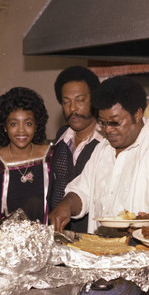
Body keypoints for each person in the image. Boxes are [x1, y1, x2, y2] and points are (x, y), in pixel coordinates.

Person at [48, 75, 149, 233]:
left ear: (137, 114)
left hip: (144, 255)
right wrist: (66, 206)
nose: (107, 130)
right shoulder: (103, 148)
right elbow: (82, 191)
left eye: (115, 122)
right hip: (101, 253)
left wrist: (142, 228)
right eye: (103, 123)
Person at [0, 87, 53, 225]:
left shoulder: (49, 156)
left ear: (37, 125)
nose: (21, 130)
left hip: (46, 240)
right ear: (4, 127)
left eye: (28, 123)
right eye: (14, 124)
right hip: (7, 242)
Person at [48, 66, 102, 231]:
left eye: (80, 100)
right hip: (59, 233)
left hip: (91, 237)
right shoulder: (61, 137)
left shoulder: (106, 143)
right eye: (66, 102)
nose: (72, 109)